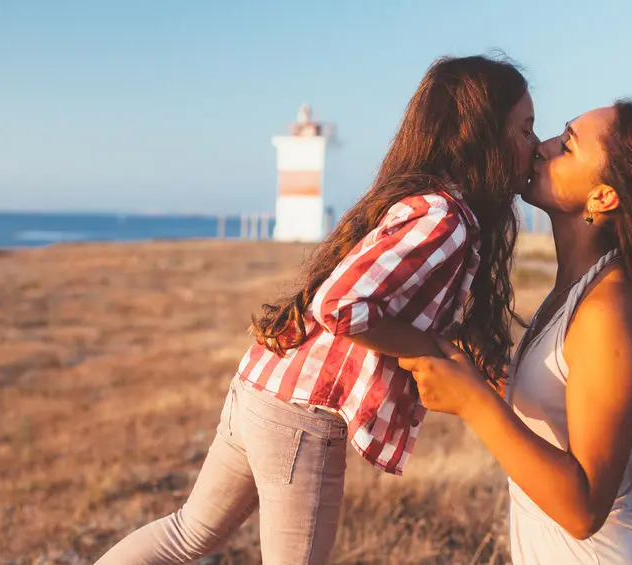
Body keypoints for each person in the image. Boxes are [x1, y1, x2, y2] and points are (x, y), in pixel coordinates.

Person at [95, 54, 538, 565]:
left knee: (186, 534)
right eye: (525, 129)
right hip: (301, 415)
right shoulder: (444, 217)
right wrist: (428, 350)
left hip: (262, 385)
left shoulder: (420, 201)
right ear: (481, 135)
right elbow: (340, 304)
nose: (534, 144)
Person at [400, 100, 632, 564]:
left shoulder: (611, 309)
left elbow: (583, 510)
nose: (540, 149)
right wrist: (490, 378)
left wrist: (473, 402)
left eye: (566, 146)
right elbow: (566, 416)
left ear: (603, 196)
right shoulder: (581, 288)